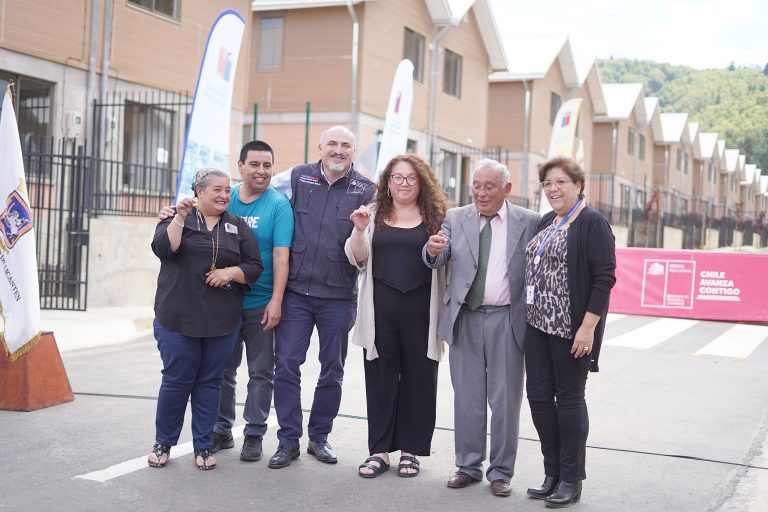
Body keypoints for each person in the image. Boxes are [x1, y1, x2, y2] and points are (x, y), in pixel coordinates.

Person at [424, 159, 539, 497]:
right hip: (466, 317)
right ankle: (468, 466)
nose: (481, 192)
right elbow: (438, 255)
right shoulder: (456, 218)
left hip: (508, 319)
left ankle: (501, 472)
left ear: (507, 188)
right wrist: (432, 251)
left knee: (505, 400)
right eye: (476, 185)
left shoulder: (529, 221)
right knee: (468, 398)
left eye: (490, 186)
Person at [267, 125, 375, 469]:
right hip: (297, 292)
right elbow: (257, 190)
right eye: (333, 144)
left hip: (339, 296)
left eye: (346, 145)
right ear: (320, 147)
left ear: (353, 152)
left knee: (332, 369)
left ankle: (319, 437)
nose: (338, 150)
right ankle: (287, 441)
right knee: (285, 364)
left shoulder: (366, 189)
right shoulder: (298, 176)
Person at [148, 168, 263, 470]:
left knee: (211, 383)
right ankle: (163, 443)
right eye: (217, 189)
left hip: (221, 322)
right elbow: (164, 249)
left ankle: (203, 445)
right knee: (176, 381)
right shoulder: (177, 218)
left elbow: (253, 265)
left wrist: (229, 273)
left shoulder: (237, 226)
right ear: (199, 192)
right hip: (177, 317)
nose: (225, 195)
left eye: (227, 189)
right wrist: (178, 219)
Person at [345, 154, 449, 479]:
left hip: (421, 309)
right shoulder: (372, 214)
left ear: (422, 183)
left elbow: (447, 260)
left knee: (420, 379)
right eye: (397, 178)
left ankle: (410, 451)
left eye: (411, 178)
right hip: (380, 309)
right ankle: (379, 451)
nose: (404, 184)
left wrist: (438, 250)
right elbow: (357, 259)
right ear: (387, 183)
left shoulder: (437, 218)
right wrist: (359, 231)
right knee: (380, 377)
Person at [523, 157, 616, 508]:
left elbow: (604, 278)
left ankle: (571, 478)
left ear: (578, 185)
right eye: (547, 184)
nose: (553, 189)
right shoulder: (548, 221)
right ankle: (552, 473)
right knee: (539, 399)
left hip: (571, 330)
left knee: (570, 400)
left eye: (560, 182)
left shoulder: (593, 223)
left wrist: (588, 328)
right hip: (537, 326)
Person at [207, 141, 294, 462]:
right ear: (240, 166)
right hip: (224, 304)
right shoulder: (223, 198)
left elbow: (281, 256)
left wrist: (276, 300)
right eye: (255, 165)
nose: (261, 171)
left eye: (267, 166)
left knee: (261, 372)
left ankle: (254, 433)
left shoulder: (279, 205)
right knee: (222, 370)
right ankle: (221, 429)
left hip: (260, 304)